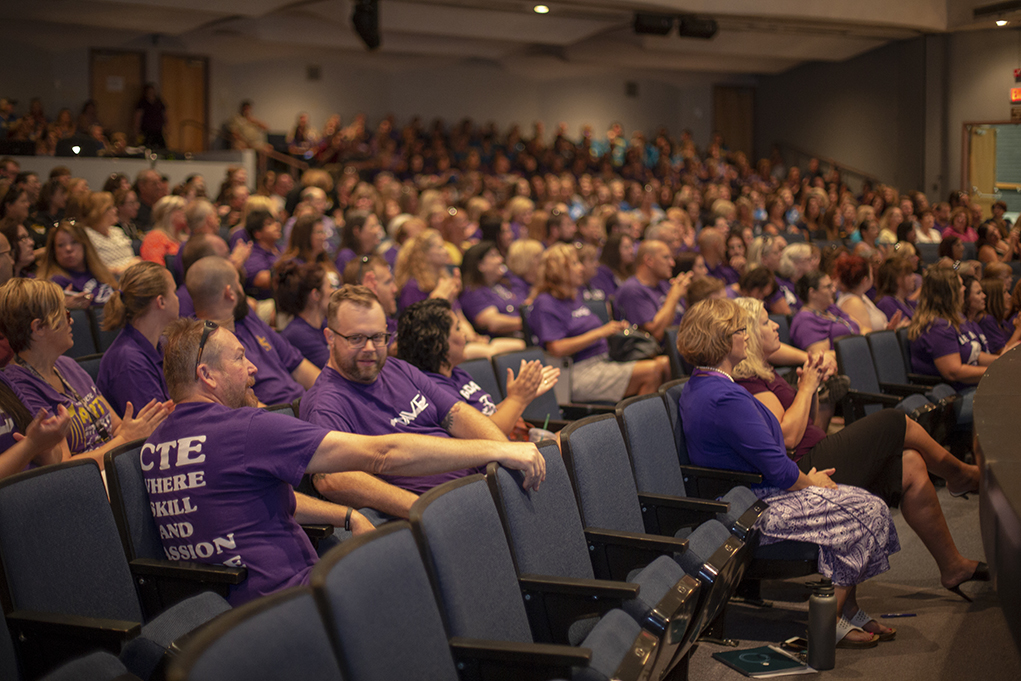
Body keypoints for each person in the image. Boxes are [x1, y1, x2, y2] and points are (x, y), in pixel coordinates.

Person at [143, 316, 544, 605]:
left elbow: (250, 503)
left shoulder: (153, 445)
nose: (253, 369)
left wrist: (346, 517)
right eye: (239, 358)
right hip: (291, 605)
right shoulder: (247, 429)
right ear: (207, 375)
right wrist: (498, 448)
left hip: (222, 614)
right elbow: (383, 454)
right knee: (445, 579)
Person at [676, 297, 900, 647]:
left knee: (858, 500)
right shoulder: (724, 397)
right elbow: (778, 466)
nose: (746, 337)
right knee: (867, 509)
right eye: (740, 330)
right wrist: (813, 483)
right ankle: (826, 626)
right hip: (750, 510)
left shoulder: (711, 385)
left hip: (753, 494)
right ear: (722, 341)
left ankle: (847, 610)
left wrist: (813, 483)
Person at [733, 296, 986, 597]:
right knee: (894, 421)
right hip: (802, 470)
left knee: (911, 465)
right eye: (765, 321)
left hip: (814, 452)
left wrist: (810, 386)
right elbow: (786, 437)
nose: (775, 325)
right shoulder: (748, 381)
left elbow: (807, 423)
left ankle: (953, 566)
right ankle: (960, 474)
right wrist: (807, 387)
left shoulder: (765, 371)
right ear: (747, 333)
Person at [301, 286, 514, 523]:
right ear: (330, 337)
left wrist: (509, 454)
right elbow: (331, 479)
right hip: (435, 515)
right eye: (356, 338)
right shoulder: (326, 403)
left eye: (377, 337)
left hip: (479, 489)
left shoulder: (396, 368)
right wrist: (422, 509)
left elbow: (457, 412)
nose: (370, 348)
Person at [0, 278, 172, 466]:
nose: (71, 320)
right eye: (64, 314)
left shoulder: (67, 365)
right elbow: (63, 467)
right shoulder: (20, 387)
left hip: (114, 470)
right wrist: (125, 440)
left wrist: (144, 425)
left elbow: (116, 427)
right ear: (38, 328)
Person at [396, 298, 558, 438]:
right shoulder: (435, 389)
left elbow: (485, 416)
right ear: (439, 345)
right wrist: (517, 400)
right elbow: (489, 435)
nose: (464, 335)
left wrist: (521, 395)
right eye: (458, 329)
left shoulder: (456, 372)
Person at [529, 243, 668, 402]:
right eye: (574, 263)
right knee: (654, 371)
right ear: (559, 270)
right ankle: (637, 423)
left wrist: (613, 329)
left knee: (664, 364)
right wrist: (601, 332)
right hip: (577, 372)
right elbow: (556, 348)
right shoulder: (545, 303)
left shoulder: (573, 298)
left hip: (604, 361)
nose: (581, 268)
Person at [187, 256, 320, 406]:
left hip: (304, 406)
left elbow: (298, 365)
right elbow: (245, 406)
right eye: (239, 283)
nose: (243, 291)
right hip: (276, 418)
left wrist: (328, 394)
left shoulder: (246, 317)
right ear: (229, 293)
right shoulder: (205, 346)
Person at [907, 266, 1018, 427]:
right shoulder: (937, 327)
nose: (964, 289)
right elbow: (954, 371)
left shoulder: (956, 319)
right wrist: (997, 371)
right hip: (953, 398)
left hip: (970, 389)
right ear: (948, 292)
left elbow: (976, 355)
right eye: (960, 286)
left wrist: (1003, 362)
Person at [97, 262, 178, 417]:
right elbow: (156, 432)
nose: (178, 298)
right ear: (161, 302)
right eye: (174, 292)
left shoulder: (160, 344)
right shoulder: (130, 362)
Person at [614, 239, 692, 343]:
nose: (672, 263)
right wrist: (674, 295)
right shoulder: (632, 290)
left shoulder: (663, 285)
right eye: (666, 257)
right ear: (649, 260)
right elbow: (656, 334)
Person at [38, 220, 117, 306]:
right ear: (53, 251)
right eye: (61, 245)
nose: (68, 248)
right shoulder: (56, 283)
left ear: (85, 245)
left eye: (74, 242)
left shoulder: (99, 272)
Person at [276, 260, 335, 368]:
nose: (333, 292)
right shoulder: (298, 334)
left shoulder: (323, 324)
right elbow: (337, 369)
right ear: (316, 294)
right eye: (330, 286)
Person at [458, 241, 523, 337]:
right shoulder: (472, 292)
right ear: (480, 265)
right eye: (493, 256)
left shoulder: (501, 284)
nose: (500, 260)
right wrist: (527, 322)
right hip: (504, 342)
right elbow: (494, 323)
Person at [790, 270, 860, 353]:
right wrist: (856, 349)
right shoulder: (804, 321)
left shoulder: (831, 309)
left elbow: (860, 326)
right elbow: (821, 356)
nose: (834, 290)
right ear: (812, 292)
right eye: (828, 287)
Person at [834, 253, 903, 334]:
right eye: (871, 273)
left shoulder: (861, 296)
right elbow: (866, 338)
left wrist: (889, 329)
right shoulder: (853, 302)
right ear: (865, 280)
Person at [82, 191, 139, 276]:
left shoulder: (117, 231)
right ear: (99, 211)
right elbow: (92, 267)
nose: (115, 210)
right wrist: (118, 270)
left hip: (132, 276)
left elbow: (133, 258)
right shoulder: (87, 235)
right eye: (111, 207)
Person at [334, 210, 387, 274]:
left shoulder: (373, 254)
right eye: (373, 226)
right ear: (357, 231)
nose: (378, 229)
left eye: (378, 225)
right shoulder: (346, 257)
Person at [140, 195, 188, 265]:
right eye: (181, 209)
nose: (186, 213)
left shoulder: (184, 238)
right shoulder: (155, 237)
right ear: (168, 213)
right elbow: (156, 269)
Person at [589, 232, 633, 300]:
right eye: (626, 248)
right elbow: (609, 298)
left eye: (631, 246)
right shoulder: (602, 273)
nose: (631, 251)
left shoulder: (631, 270)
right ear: (614, 250)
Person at [874, 257, 918, 322]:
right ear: (898, 279)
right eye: (909, 274)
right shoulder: (886, 303)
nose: (914, 277)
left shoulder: (907, 302)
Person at [134, 83, 166, 149]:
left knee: (162, 148)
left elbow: (165, 114)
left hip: (158, 130)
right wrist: (136, 129)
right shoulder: (142, 103)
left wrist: (167, 126)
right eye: (149, 92)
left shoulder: (159, 102)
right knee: (145, 147)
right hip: (146, 130)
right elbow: (138, 116)